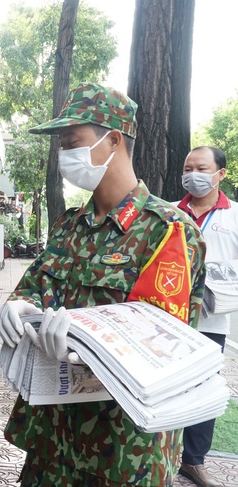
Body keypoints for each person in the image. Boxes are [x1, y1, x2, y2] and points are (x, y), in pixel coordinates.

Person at [0, 83, 206, 486]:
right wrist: (19, 304)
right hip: (51, 439)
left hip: (120, 451)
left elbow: (162, 345)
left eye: (72, 142)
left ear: (112, 140)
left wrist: (87, 346)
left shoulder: (166, 231)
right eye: (61, 146)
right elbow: (35, 284)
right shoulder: (69, 225)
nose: (64, 155)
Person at [174, 146, 238, 487]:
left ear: (220, 174)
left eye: (201, 167)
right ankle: (161, 454)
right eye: (188, 168)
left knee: (203, 391)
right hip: (166, 320)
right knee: (164, 387)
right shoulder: (167, 213)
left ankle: (193, 461)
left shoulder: (235, 216)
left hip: (212, 321)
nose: (193, 174)